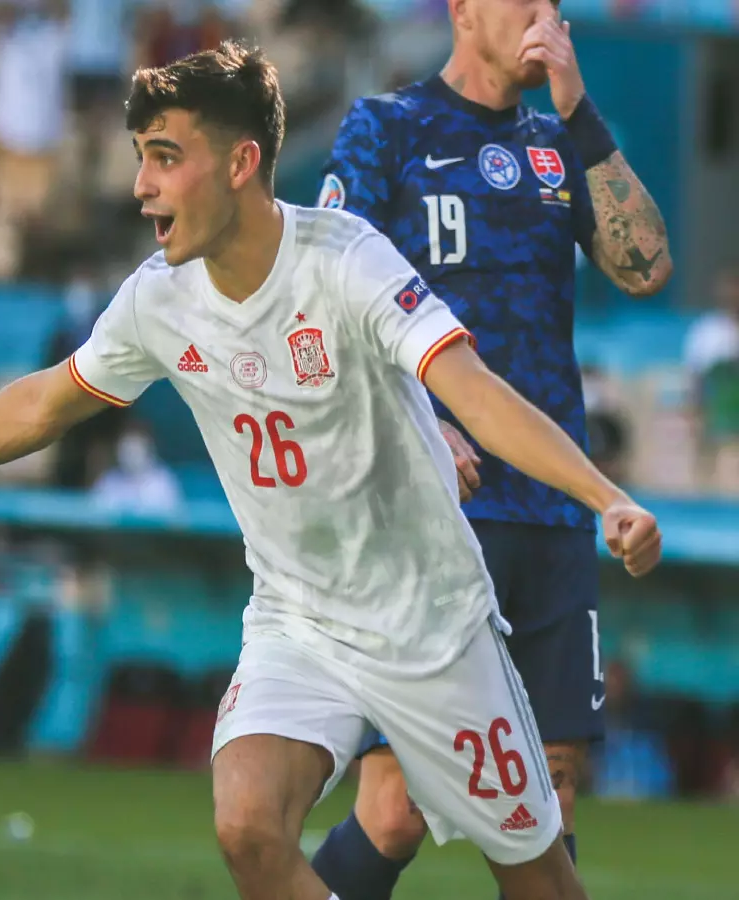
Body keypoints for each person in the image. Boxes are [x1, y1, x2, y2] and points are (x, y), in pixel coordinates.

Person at [0, 42, 662, 900]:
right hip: (297, 621)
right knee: (247, 824)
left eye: (165, 157)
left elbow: (477, 396)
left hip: (432, 626)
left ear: (241, 162)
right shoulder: (159, 298)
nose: (140, 187)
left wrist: (605, 498)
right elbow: (47, 402)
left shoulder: (346, 262)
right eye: (140, 159)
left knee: (542, 882)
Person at [311, 2, 673, 897]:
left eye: (555, 5)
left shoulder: (561, 144)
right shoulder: (387, 127)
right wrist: (418, 416)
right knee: (395, 803)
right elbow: (319, 292)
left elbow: (647, 265)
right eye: (525, 1)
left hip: (549, 506)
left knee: (549, 790)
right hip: (429, 505)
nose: (543, 17)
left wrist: (581, 108)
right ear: (463, 11)